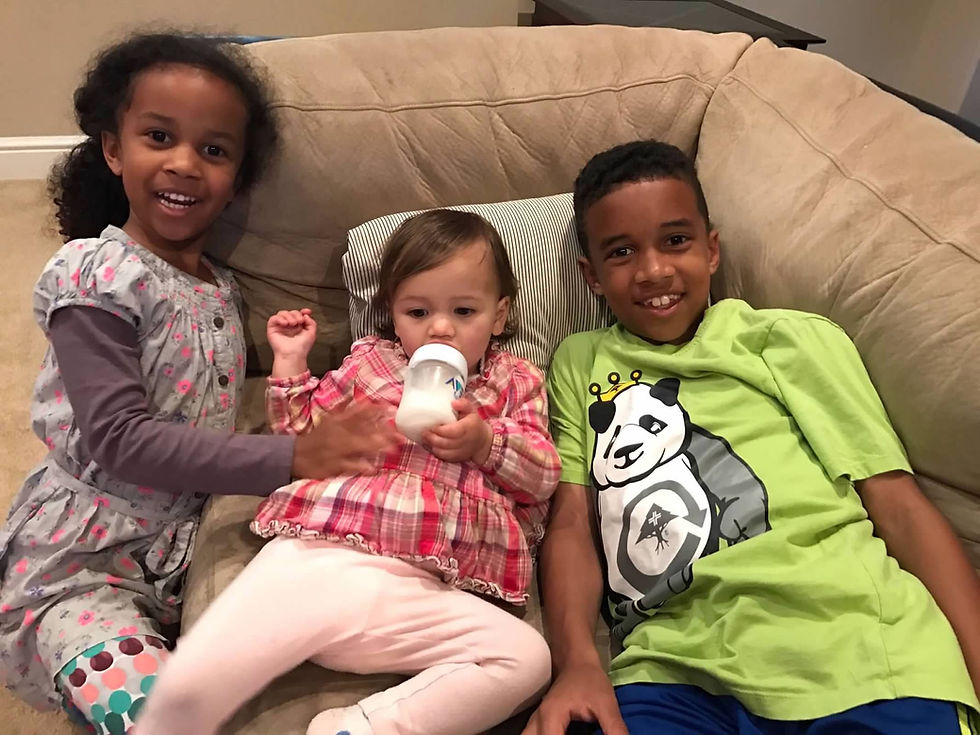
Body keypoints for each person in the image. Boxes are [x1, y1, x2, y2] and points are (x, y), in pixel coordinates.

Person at [0, 32, 394, 735]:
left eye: (214, 150)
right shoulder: (95, 274)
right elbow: (122, 439)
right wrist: (293, 459)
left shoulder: (224, 289)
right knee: (161, 715)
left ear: (238, 177)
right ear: (114, 150)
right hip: (83, 566)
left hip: (190, 546)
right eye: (158, 136)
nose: (184, 163)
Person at [524, 140, 980, 734]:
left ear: (712, 249)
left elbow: (897, 504)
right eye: (621, 252)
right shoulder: (580, 361)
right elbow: (569, 523)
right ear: (590, 276)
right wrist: (578, 665)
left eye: (676, 240)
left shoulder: (789, 339)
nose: (655, 270)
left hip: (865, 654)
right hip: (672, 670)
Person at [137, 209, 559, 735]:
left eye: (464, 310)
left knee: (526, 660)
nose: (441, 328)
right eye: (418, 311)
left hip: (421, 595)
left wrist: (485, 442)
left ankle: (360, 728)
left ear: (499, 317)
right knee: (190, 690)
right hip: (319, 558)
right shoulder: (371, 364)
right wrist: (289, 364)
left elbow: (543, 476)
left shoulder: (514, 382)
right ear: (392, 314)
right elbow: (299, 439)